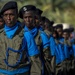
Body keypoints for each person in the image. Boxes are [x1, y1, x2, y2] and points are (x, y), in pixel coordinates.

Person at [0, 1, 41, 75]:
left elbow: (35, 60)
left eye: (11, 15)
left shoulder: (26, 34)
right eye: (6, 15)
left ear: (16, 16)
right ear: (3, 17)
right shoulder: (0, 35)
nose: (8, 18)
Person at [19, 5, 51, 75]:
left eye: (30, 17)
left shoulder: (42, 35)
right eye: (25, 17)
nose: (28, 20)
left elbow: (47, 58)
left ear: (34, 18)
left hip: (38, 70)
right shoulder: (19, 35)